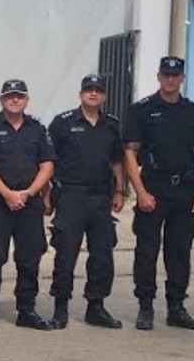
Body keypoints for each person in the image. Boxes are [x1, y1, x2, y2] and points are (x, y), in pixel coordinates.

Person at [124, 56, 194, 331]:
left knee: (179, 251)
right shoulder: (143, 110)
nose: (170, 79)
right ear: (159, 77)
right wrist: (140, 191)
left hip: (184, 189)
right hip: (154, 186)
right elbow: (130, 152)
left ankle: (176, 308)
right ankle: (146, 307)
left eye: (175, 75)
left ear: (182, 78)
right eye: (166, 75)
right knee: (147, 250)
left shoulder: (192, 111)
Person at [0, 79, 56, 333]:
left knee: (29, 259)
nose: (14, 100)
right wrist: (7, 193)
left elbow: (48, 165)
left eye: (19, 96)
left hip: (28, 204)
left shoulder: (38, 129)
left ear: (26, 100)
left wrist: (28, 193)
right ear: (1, 100)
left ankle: (26, 310)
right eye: (9, 96)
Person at [45, 74, 125, 330]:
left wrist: (120, 191)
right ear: (81, 94)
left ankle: (96, 307)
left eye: (98, 90)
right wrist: (46, 195)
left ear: (104, 96)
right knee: (66, 254)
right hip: (70, 195)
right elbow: (48, 160)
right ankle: (60, 308)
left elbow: (116, 161)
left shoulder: (112, 124)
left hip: (101, 196)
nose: (93, 94)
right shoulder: (62, 123)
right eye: (89, 90)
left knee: (102, 254)